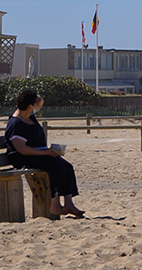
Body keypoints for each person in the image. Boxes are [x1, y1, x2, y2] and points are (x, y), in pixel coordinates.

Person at [5, 89, 84, 218]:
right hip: (23, 157)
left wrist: (48, 151)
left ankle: (69, 203)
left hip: (38, 154)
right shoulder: (16, 123)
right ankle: (55, 202)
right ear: (30, 106)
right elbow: (21, 149)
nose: (40, 108)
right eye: (39, 105)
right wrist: (44, 152)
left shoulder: (30, 117)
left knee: (67, 166)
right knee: (55, 166)